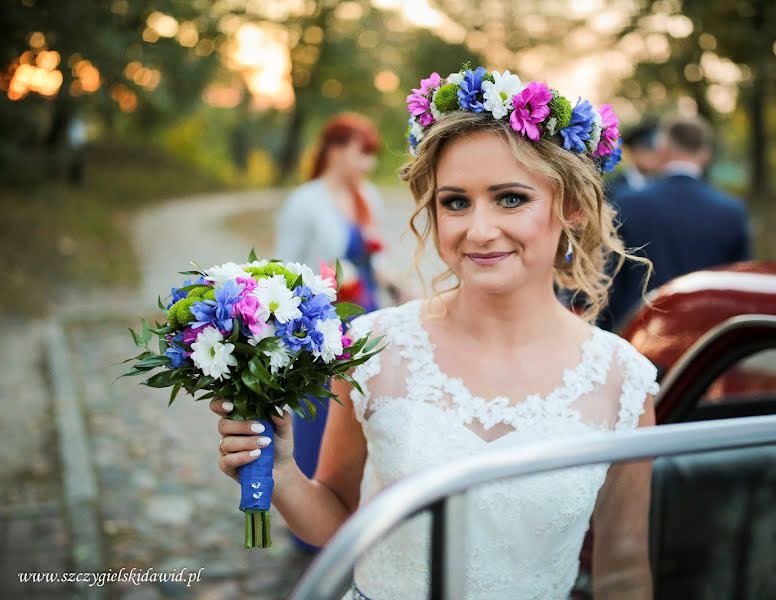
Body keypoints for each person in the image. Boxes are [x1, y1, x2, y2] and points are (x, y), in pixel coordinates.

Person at [213, 66, 659, 599]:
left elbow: (625, 572)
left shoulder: (622, 381)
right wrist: (283, 473)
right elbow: (339, 520)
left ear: (571, 208)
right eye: (455, 202)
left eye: (510, 198)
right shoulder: (374, 348)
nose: (479, 229)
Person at [273, 112, 399, 553]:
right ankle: (309, 526)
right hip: (319, 325)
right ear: (335, 149)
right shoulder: (305, 202)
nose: (365, 166)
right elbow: (283, 270)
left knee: (360, 420)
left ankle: (355, 516)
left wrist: (394, 281)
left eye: (370, 156)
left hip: (364, 319)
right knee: (317, 418)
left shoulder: (367, 197)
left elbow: (372, 258)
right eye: (360, 154)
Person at [601, 114, 753, 331]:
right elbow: (739, 289)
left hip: (639, 334)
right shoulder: (732, 212)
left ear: (662, 149)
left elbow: (608, 281)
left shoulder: (629, 203)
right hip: (703, 341)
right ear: (705, 154)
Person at [604, 118, 659, 201]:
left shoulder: (661, 184)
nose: (654, 157)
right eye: (647, 151)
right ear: (635, 152)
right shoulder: (612, 188)